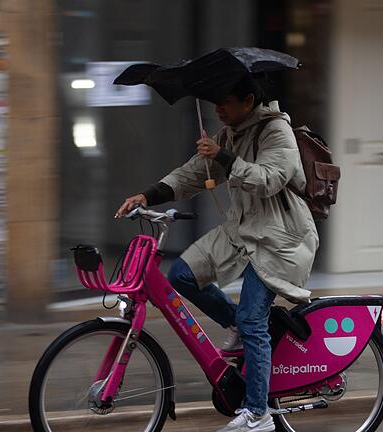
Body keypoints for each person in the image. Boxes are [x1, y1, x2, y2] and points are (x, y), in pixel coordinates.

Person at [116, 76, 318, 432]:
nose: (218, 109)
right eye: (215, 103)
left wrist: (224, 155)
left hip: (280, 239)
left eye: (225, 102)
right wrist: (147, 195)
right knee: (181, 275)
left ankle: (258, 413)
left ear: (249, 100)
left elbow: (269, 179)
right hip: (242, 232)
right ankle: (241, 325)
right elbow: (193, 174)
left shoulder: (276, 133)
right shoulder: (230, 134)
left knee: (254, 320)